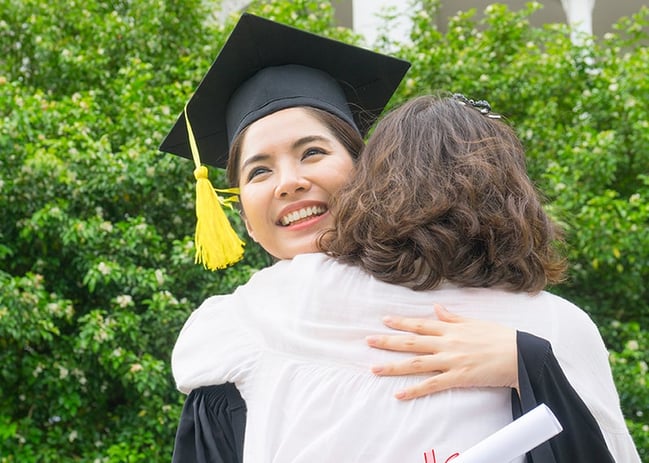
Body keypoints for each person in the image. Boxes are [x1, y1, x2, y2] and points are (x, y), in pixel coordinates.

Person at [161, 14, 630, 463]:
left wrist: (528, 363)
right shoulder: (241, 331)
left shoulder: (522, 316)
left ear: (366, 171)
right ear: (240, 210)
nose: (288, 182)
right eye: (259, 171)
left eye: (313, 152)